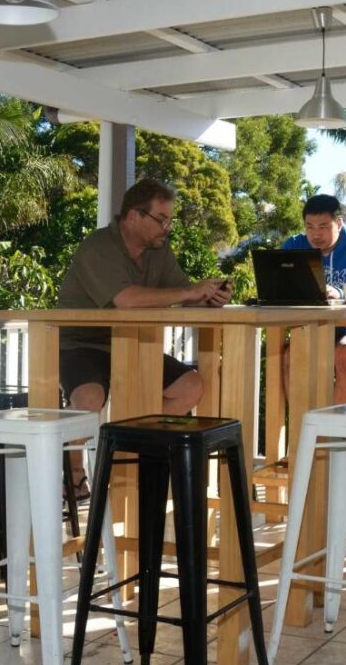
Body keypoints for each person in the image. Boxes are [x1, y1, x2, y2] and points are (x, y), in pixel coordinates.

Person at [57, 178, 231, 490]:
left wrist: (209, 297)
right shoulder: (98, 247)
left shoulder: (159, 251)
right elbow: (125, 300)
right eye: (161, 219)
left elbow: (184, 294)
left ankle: (126, 453)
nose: (167, 227)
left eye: (170, 220)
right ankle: (71, 476)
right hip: (83, 343)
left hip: (134, 344)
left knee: (190, 387)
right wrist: (190, 292)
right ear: (134, 215)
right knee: (90, 398)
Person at [281, 194, 346, 402]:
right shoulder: (294, 246)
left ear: (339, 223)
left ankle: (338, 432)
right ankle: (303, 427)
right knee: (289, 357)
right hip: (312, 327)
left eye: (323, 226)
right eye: (309, 227)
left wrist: (340, 293)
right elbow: (278, 283)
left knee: (344, 355)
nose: (315, 234)